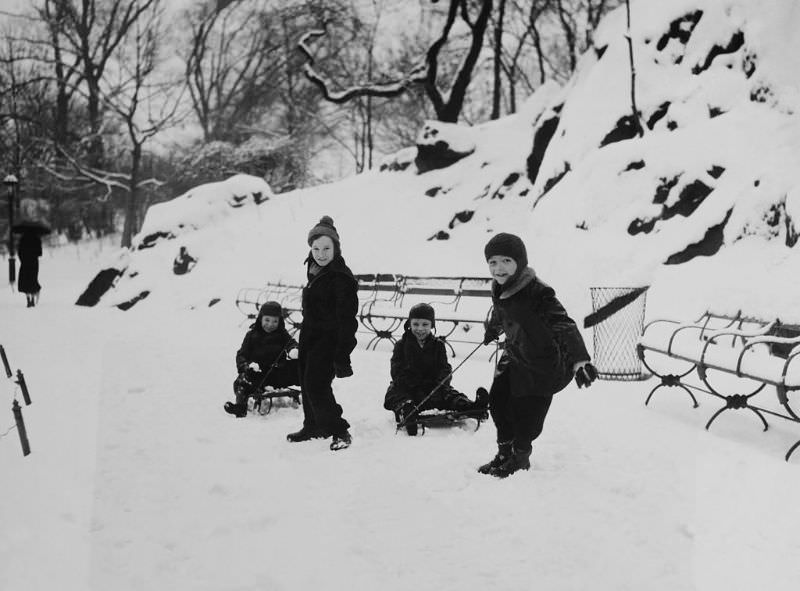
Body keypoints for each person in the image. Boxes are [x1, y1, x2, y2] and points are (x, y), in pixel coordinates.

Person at [479, 232, 598, 478]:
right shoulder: (500, 287)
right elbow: (501, 312)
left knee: (527, 414)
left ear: (519, 262)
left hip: (541, 364)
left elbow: (563, 323)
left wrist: (579, 360)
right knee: (498, 402)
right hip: (515, 356)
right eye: (493, 262)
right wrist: (493, 329)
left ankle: (520, 457)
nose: (498, 268)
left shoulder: (537, 292)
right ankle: (504, 453)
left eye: (506, 261)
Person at [286, 216, 358, 451]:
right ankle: (313, 425)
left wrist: (342, 352)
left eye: (327, 248)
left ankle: (339, 430)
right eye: (316, 248)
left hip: (330, 339)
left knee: (317, 384)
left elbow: (347, 319)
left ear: (336, 248)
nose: (321, 253)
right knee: (305, 381)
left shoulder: (341, 277)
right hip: (310, 335)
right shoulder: (314, 268)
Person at [383, 303, 487, 435]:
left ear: (432, 325)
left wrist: (441, 382)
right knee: (397, 396)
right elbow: (396, 370)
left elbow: (444, 368)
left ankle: (472, 407)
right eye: (416, 324)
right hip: (408, 387)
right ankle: (408, 412)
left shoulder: (438, 345)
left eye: (425, 325)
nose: (420, 329)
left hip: (432, 388)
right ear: (409, 324)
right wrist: (412, 382)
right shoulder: (401, 345)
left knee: (449, 394)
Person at [224, 301, 299, 418]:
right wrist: (247, 366)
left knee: (299, 366)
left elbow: (291, 343)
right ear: (260, 319)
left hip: (279, 374)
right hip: (259, 374)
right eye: (267, 320)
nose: (270, 324)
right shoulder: (252, 335)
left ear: (279, 322)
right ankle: (240, 407)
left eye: (275, 321)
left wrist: (293, 349)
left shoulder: (282, 334)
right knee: (241, 382)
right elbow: (241, 355)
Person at [17, 230, 42, 308]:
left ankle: (28, 300)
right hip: (34, 263)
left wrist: (22, 259)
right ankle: (33, 299)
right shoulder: (37, 239)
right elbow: (40, 253)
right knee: (33, 279)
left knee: (25, 280)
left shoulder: (22, 239)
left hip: (25, 262)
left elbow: (19, 252)